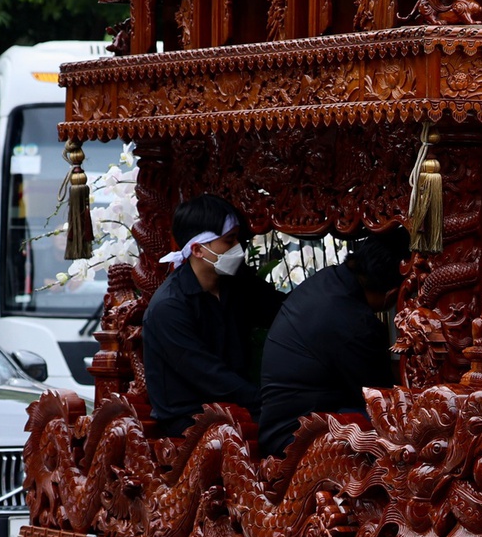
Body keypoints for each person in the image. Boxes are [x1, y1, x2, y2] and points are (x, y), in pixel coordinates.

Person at [256, 228, 410, 458]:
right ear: (394, 293)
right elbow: (380, 399)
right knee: (401, 427)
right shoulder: (354, 322)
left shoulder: (329, 279)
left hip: (285, 420)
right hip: (295, 436)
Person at [139, 194, 284, 437]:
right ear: (198, 249)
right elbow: (207, 374)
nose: (238, 248)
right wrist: (266, 400)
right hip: (189, 419)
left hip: (239, 405)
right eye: (229, 241)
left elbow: (281, 311)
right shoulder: (169, 307)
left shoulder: (237, 283)